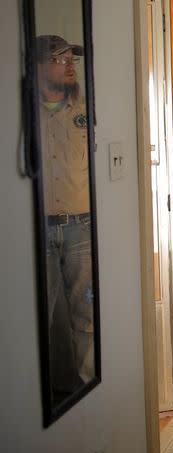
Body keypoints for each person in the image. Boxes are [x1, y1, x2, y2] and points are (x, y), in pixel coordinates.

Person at [36, 34, 95, 394]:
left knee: (86, 317)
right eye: (60, 59)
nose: (71, 64)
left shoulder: (86, 112)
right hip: (37, 232)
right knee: (40, 317)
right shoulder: (23, 113)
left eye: (72, 58)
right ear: (39, 67)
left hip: (82, 231)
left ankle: (88, 391)